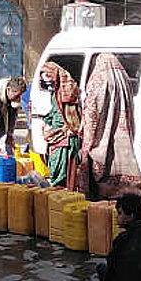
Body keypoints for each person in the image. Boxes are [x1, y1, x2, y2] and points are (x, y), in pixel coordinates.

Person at [78, 54, 141, 199]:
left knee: (99, 191)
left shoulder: (98, 79)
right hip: (123, 139)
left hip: (102, 141)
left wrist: (86, 142)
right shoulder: (123, 78)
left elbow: (91, 113)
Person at [38, 61, 82, 190]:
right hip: (56, 135)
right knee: (54, 164)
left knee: (63, 168)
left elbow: (70, 116)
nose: (48, 84)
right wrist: (47, 122)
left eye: (49, 78)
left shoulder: (67, 92)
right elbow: (54, 112)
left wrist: (62, 129)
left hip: (66, 136)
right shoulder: (55, 92)